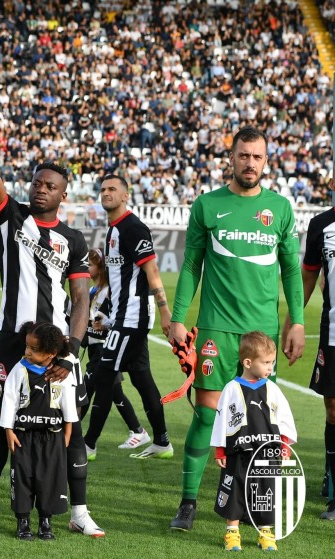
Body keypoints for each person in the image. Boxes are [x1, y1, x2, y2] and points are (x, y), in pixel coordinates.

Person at [0, 82, 103, 538]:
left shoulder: (74, 240)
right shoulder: (12, 217)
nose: (41, 190)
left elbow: (81, 299)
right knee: (0, 422)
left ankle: (78, 511)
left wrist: (72, 351)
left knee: (71, 427)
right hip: (12, 339)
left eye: (51, 186)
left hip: (60, 345)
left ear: (64, 195)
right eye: (38, 183)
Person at [169, 126, 304, 531]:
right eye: (243, 155)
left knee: (260, 425)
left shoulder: (279, 209)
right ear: (231, 157)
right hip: (216, 329)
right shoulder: (208, 206)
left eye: (257, 157)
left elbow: (292, 270)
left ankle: (254, 502)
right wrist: (178, 316)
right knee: (208, 417)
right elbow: (191, 264)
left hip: (260, 336)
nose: (250, 163)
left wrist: (295, 320)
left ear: (266, 160)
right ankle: (188, 503)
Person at [83, 174, 173, 461]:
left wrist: (164, 311)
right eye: (103, 189)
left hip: (133, 318)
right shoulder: (112, 231)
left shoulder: (133, 227)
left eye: (112, 189)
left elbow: (152, 271)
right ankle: (161, 441)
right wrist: (105, 315)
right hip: (122, 317)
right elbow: (120, 283)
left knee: (103, 375)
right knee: (142, 380)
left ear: (125, 196)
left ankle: (88, 445)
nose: (106, 193)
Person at [211, 332, 296, 551]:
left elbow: (283, 416)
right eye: (266, 362)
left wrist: (284, 443)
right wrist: (221, 449)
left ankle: (265, 532)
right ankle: (232, 532)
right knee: (235, 489)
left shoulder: (272, 388)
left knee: (266, 490)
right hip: (239, 451)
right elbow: (222, 420)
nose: (270, 367)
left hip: (267, 452)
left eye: (272, 362)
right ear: (248, 362)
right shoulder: (231, 388)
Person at [1, 321, 78, 541]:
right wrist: (9, 430)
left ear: (51, 353)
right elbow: (10, 399)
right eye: (27, 347)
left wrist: (67, 431)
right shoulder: (19, 369)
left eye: (34, 349)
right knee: (23, 478)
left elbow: (68, 403)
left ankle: (46, 521)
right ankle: (23, 521)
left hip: (52, 436)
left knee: (49, 479)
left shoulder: (61, 373)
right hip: (23, 436)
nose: (27, 351)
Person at [82, 247, 149, 456]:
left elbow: (110, 323)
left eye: (90, 264)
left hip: (105, 348)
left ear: (100, 268)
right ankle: (138, 431)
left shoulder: (108, 291)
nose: (87, 267)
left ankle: (78, 440)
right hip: (95, 348)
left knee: (86, 390)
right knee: (113, 392)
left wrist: (91, 327)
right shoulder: (94, 290)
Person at [292, 200, 335, 520]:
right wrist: (294, 321)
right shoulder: (321, 225)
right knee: (333, 407)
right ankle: (332, 480)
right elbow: (308, 278)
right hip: (332, 331)